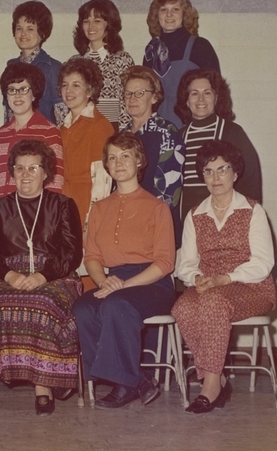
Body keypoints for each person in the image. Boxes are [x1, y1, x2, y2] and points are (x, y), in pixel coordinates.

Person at [72, 132, 176, 409]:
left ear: (139, 161)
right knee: (83, 309)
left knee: (116, 305)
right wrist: (104, 281)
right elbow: (92, 255)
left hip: (153, 281)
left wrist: (122, 287)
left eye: (125, 156)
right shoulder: (100, 208)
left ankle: (124, 384)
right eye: (112, 157)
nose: (118, 163)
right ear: (106, 164)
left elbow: (165, 263)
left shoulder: (157, 207)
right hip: (114, 279)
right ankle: (136, 380)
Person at [172, 140, 276, 414]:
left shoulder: (253, 211)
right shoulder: (195, 215)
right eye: (208, 171)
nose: (216, 177)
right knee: (182, 307)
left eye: (222, 169)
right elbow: (186, 262)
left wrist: (225, 279)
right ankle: (217, 377)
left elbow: (263, 263)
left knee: (214, 303)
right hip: (209, 286)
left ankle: (209, 386)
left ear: (235, 172)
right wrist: (195, 277)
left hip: (252, 288)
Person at [0, 140, 83, 416]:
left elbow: (72, 254)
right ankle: (27, 375)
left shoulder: (62, 205)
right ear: (11, 172)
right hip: (7, 277)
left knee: (44, 302)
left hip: (55, 276)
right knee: (4, 303)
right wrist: (10, 274)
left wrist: (43, 275)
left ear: (46, 172)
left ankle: (43, 385)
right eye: (19, 168)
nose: (26, 174)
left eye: (33, 168)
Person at [175, 68, 262, 221]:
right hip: (189, 219)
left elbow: (251, 180)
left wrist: (245, 219)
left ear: (216, 98)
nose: (201, 99)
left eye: (207, 93)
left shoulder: (232, 132)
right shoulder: (178, 136)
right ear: (187, 101)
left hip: (226, 216)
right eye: (194, 93)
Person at [120, 66, 184, 237]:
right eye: (128, 93)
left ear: (154, 97)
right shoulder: (121, 136)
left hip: (155, 228)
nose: (132, 98)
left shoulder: (167, 133)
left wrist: (144, 224)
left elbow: (169, 193)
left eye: (140, 93)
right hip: (125, 224)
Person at [143, 0, 220, 128]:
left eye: (175, 9)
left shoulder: (200, 46)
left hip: (192, 121)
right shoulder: (151, 50)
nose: (169, 15)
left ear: (184, 14)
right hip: (159, 123)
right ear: (156, 15)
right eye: (163, 9)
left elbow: (217, 90)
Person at [58, 58, 114, 226]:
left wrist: (92, 222)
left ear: (89, 91)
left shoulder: (100, 125)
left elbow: (102, 182)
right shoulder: (62, 127)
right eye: (65, 85)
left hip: (85, 207)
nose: (69, 91)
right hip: (63, 206)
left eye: (76, 85)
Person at [0, 62, 64, 197]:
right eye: (12, 90)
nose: (17, 95)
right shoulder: (1, 133)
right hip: (3, 209)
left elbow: (56, 180)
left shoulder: (49, 131)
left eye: (23, 89)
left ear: (33, 95)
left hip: (34, 210)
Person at [69, 0, 135, 129]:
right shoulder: (74, 61)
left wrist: (123, 134)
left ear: (109, 24)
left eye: (97, 21)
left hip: (112, 127)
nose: (91, 26)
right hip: (82, 128)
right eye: (86, 21)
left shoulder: (122, 59)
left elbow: (126, 100)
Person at [5, 0, 62, 123]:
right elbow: (8, 113)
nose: (23, 34)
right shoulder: (10, 67)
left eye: (30, 29)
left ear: (42, 33)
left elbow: (62, 116)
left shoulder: (54, 68)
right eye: (19, 28)